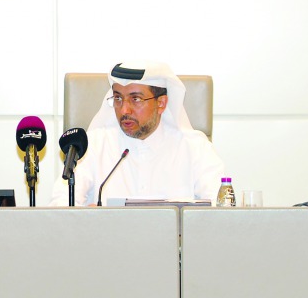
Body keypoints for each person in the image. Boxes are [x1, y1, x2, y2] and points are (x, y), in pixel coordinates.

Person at [53, 61, 225, 206]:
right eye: (118, 98)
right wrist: (88, 217)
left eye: (135, 99)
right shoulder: (91, 146)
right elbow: (60, 208)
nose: (124, 110)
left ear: (161, 103)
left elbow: (219, 212)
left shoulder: (195, 149)